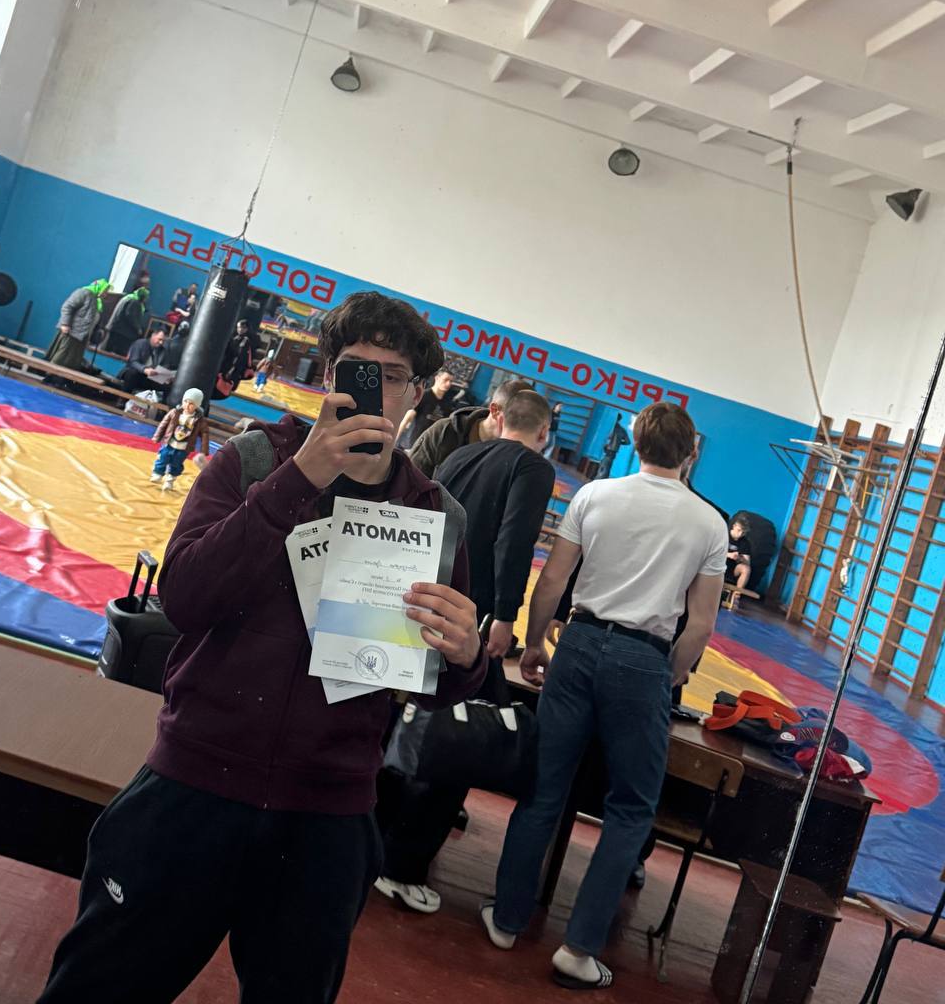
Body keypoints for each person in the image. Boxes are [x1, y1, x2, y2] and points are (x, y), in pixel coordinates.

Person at [37, 290, 487, 1004]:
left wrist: (466, 659)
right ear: (329, 376)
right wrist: (297, 479)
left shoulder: (436, 513)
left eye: (393, 375)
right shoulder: (250, 461)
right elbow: (184, 600)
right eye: (356, 369)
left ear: (415, 394)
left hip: (327, 816)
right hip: (192, 787)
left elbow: (428, 681)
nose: (373, 388)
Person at [481, 402, 727, 991]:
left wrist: (534, 642)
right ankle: (579, 947)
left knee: (544, 788)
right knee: (631, 809)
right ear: (691, 453)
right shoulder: (708, 523)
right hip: (643, 657)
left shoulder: (594, 495)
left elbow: (553, 580)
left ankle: (508, 918)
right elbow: (699, 624)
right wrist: (668, 675)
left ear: (635, 443)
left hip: (580, 643)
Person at [376, 389, 556, 914]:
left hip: (421, 600)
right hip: (466, 616)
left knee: (404, 726)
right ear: (544, 433)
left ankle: (379, 843)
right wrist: (505, 615)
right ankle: (402, 867)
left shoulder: (461, 455)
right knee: (458, 738)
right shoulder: (533, 468)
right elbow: (514, 540)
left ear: (500, 417)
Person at [407, 377, 532, 478]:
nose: (522, 427)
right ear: (495, 410)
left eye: (528, 421)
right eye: (517, 418)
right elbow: (408, 481)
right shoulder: (445, 432)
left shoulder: (516, 457)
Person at [150, 386, 210, 491]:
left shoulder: (199, 420)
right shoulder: (175, 413)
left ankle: (170, 480)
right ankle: (158, 473)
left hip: (184, 447)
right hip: (170, 442)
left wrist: (204, 450)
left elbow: (205, 434)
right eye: (185, 401)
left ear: (197, 405)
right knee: (162, 457)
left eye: (191, 404)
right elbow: (163, 424)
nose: (187, 405)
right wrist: (157, 436)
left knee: (176, 464)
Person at [46, 279, 111, 370]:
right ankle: (50, 374)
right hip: (72, 332)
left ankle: (61, 377)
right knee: (62, 356)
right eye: (105, 290)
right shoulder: (83, 293)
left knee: (73, 360)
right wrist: (65, 324)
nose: (106, 294)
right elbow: (67, 307)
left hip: (82, 336)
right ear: (100, 288)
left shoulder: (96, 300)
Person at [397, 367, 456, 446]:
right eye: (446, 380)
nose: (448, 384)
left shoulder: (448, 402)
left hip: (431, 444)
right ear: (437, 378)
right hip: (414, 442)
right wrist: (395, 439)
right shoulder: (423, 396)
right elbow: (407, 418)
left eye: (451, 381)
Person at [117, 329, 167, 395]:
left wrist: (165, 377)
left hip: (149, 377)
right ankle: (123, 398)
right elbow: (133, 362)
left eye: (163, 341)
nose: (161, 342)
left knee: (167, 386)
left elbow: (161, 366)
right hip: (133, 373)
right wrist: (144, 369)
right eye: (159, 339)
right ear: (153, 335)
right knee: (133, 373)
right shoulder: (141, 343)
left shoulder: (161, 351)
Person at [214, 317, 255, 398]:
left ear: (246, 329)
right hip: (227, 366)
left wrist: (230, 370)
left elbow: (239, 358)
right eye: (239, 327)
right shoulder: (235, 338)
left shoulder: (245, 341)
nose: (240, 329)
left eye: (243, 328)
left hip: (231, 369)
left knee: (223, 386)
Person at [103, 286, 149, 356]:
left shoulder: (127, 298)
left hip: (116, 328)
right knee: (117, 354)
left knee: (107, 350)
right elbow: (131, 316)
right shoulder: (134, 302)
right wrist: (138, 328)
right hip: (123, 333)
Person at [725, 516, 752, 610]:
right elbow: (713, 551)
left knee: (746, 569)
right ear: (734, 526)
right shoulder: (723, 534)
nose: (740, 534)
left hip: (732, 569)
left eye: (743, 532)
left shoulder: (745, 543)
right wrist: (728, 555)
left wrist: (740, 558)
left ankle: (736, 596)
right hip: (718, 564)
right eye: (739, 530)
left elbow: (747, 562)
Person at [595, 413, 629, 479]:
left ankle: (598, 481)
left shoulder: (610, 427)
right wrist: (619, 442)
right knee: (606, 467)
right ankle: (601, 481)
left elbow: (607, 437)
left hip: (608, 450)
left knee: (603, 468)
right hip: (613, 451)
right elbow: (627, 442)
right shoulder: (622, 430)